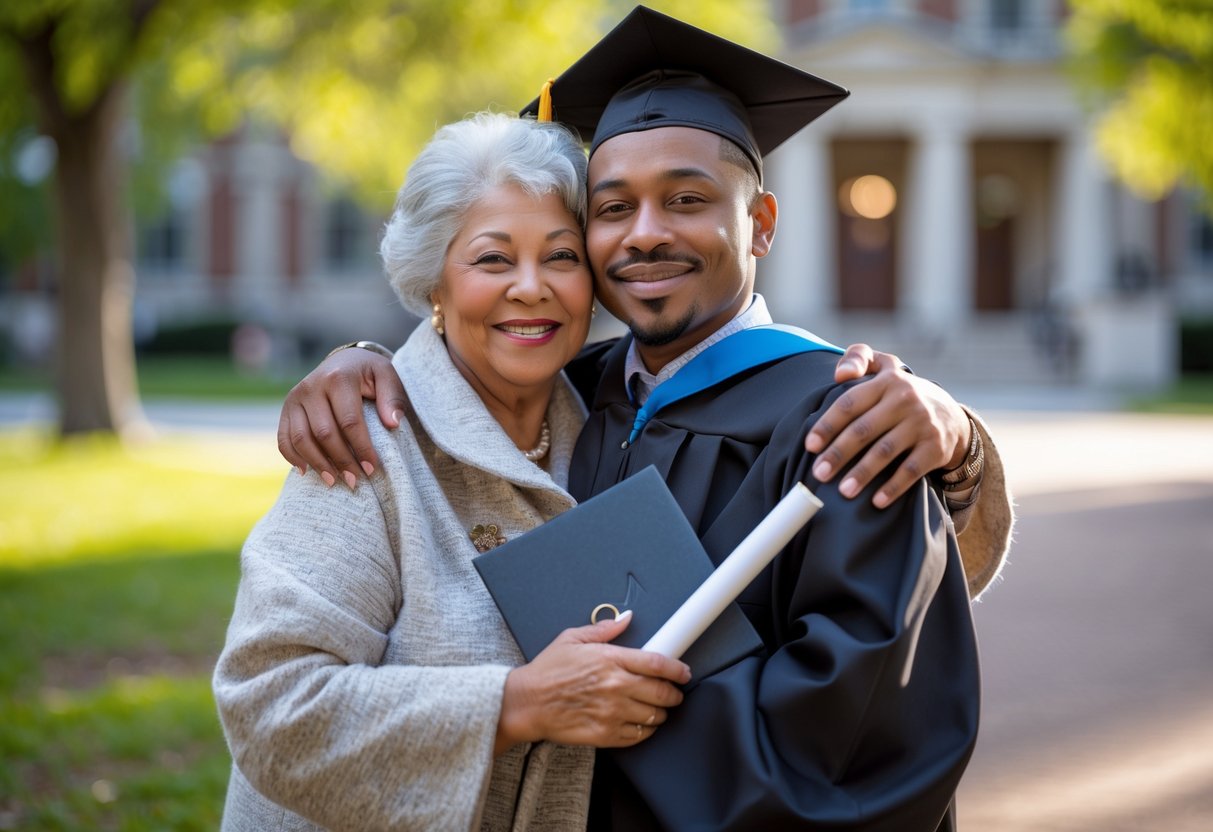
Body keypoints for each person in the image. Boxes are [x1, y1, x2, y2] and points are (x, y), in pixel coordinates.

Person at [277, 8, 1010, 830]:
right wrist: (360, 356)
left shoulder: (844, 421)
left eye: (687, 199)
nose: (646, 234)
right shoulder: (571, 394)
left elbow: (863, 741)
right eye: (612, 208)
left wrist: (960, 439)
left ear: (760, 223)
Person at [213, 113, 695, 831]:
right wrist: (514, 704)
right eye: (493, 260)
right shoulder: (366, 442)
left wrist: (905, 393)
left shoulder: (615, 427)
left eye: (560, 257)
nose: (531, 288)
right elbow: (270, 706)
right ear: (434, 281)